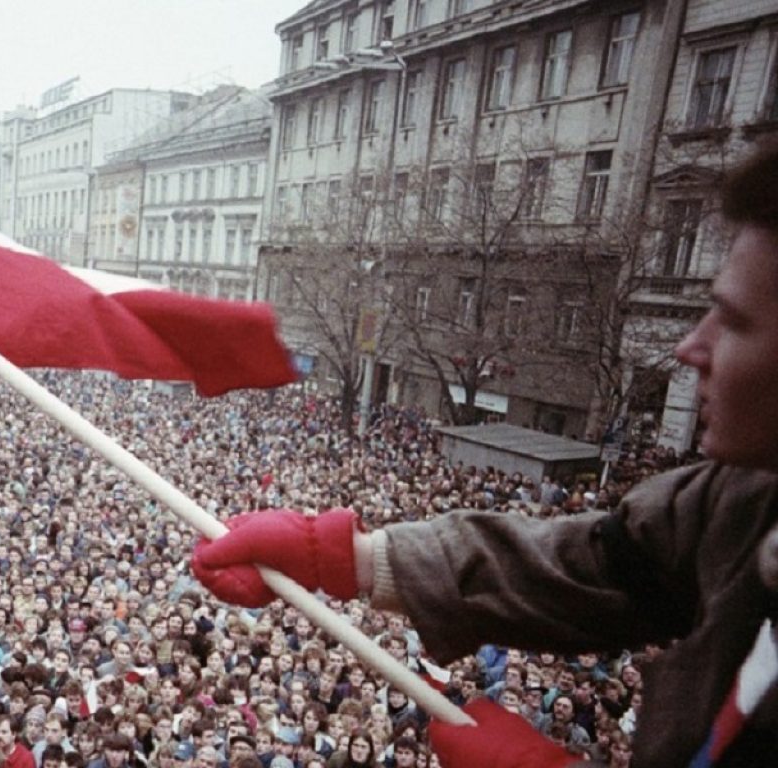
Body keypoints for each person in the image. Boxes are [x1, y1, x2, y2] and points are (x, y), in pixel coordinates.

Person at [191, 145, 778, 766]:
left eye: (735, 321)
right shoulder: (745, 500)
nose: (691, 347)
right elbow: (601, 564)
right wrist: (346, 557)